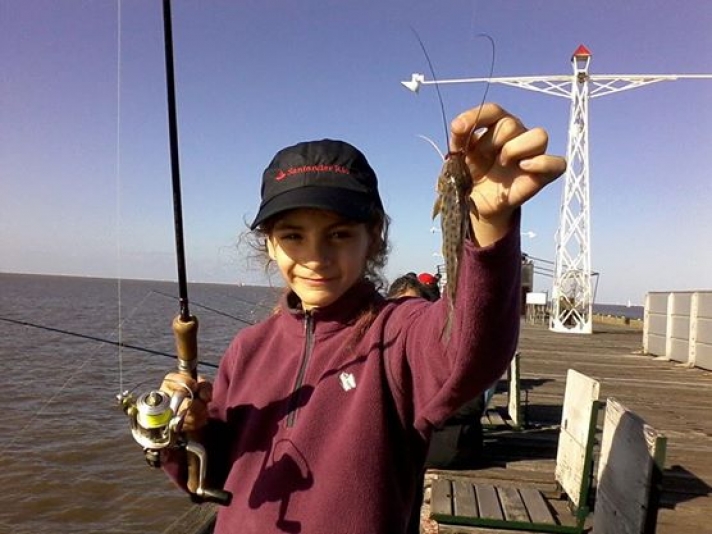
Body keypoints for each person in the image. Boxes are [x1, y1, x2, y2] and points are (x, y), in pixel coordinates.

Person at [160, 103, 566, 534]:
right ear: (270, 246)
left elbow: (471, 351)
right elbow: (208, 478)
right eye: (293, 236)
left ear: (373, 238)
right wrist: (184, 431)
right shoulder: (247, 350)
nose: (315, 257)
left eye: (339, 234)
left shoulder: (401, 332)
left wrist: (489, 222)